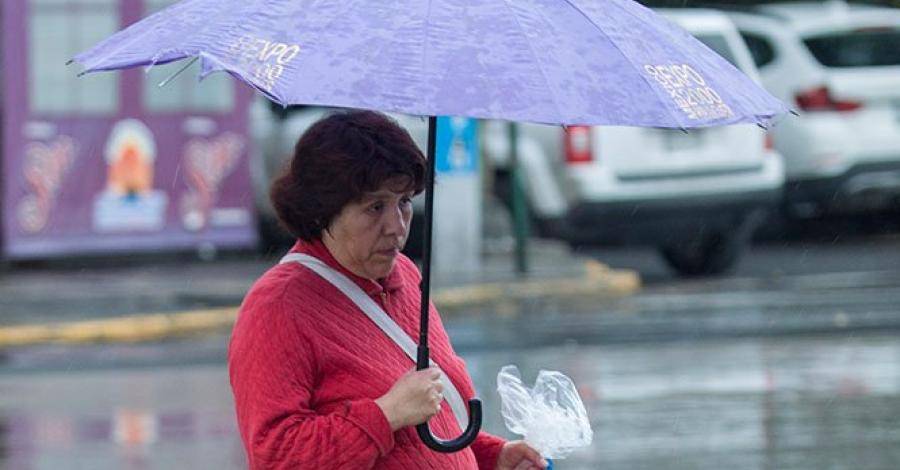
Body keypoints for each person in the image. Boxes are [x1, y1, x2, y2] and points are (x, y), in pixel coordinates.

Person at [228, 110, 548, 470]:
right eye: (375, 207)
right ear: (322, 211)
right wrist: (386, 414)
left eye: (405, 202)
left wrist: (491, 456)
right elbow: (276, 456)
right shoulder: (279, 306)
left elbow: (425, 428)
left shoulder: (404, 277)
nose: (396, 227)